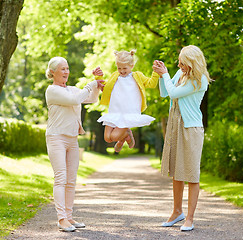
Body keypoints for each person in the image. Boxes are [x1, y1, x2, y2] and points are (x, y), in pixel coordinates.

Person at [153, 45, 211, 231]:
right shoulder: (180, 74)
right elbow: (165, 92)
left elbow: (174, 93)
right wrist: (163, 75)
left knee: (192, 175)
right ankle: (177, 212)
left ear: (192, 63)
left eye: (183, 62)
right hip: (175, 124)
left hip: (191, 128)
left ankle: (190, 219)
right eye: (179, 61)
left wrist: (165, 74)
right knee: (177, 172)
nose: (179, 64)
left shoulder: (200, 80)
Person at [45, 56, 104, 232]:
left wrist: (96, 85)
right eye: (62, 69)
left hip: (72, 138)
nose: (66, 72)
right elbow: (74, 99)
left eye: (67, 68)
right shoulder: (52, 90)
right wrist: (91, 84)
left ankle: (69, 217)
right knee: (61, 178)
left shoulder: (71, 89)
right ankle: (61, 219)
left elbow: (90, 98)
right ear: (53, 72)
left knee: (71, 180)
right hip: (56, 138)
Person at [94, 50, 160, 152]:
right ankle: (126, 135)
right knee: (107, 138)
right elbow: (105, 87)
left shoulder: (137, 76)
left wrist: (156, 72)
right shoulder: (115, 76)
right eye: (119, 68)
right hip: (115, 112)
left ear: (132, 65)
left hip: (128, 114)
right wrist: (98, 76)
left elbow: (151, 83)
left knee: (115, 137)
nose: (122, 71)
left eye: (125, 68)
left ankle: (124, 137)